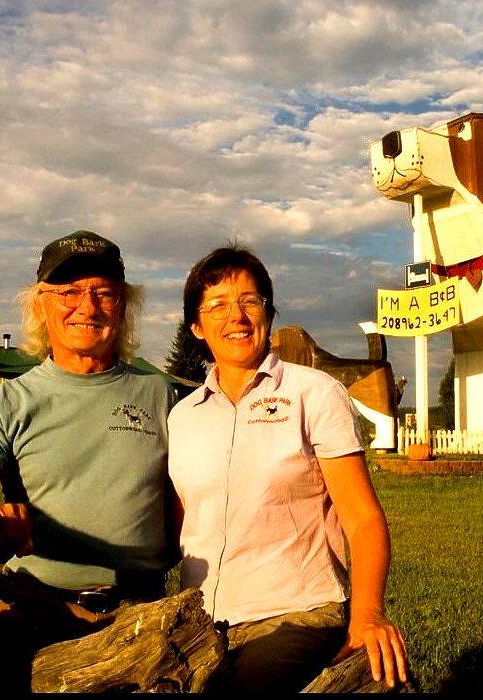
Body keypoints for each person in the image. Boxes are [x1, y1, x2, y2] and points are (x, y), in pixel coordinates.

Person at [0, 230, 178, 690]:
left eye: (103, 293)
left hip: (141, 610)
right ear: (41, 306)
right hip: (29, 605)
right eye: (68, 292)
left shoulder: (160, 394)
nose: (87, 307)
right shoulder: (8, 401)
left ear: (123, 307)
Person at [167, 244, 409, 692]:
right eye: (217, 305)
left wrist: (368, 614)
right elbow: (182, 525)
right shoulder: (183, 417)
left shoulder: (314, 394)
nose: (235, 316)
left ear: (268, 314)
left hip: (297, 614)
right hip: (201, 627)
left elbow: (363, 519)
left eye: (249, 301)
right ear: (196, 326)